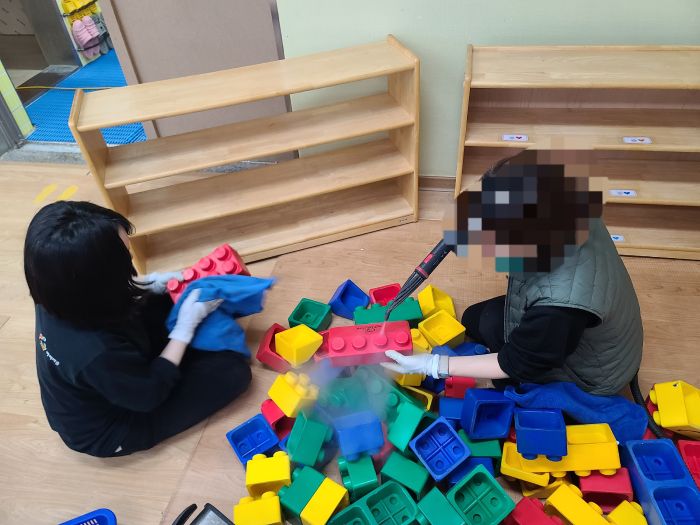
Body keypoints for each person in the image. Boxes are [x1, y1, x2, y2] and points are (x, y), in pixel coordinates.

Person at [384, 151, 643, 396]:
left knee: (504, 359)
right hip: (590, 322)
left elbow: (517, 362)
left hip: (594, 374)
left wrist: (433, 365)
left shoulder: (559, 308)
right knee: (476, 318)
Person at [24, 201, 251, 457]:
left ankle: (179, 343)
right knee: (232, 372)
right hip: (116, 425)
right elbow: (148, 394)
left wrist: (149, 283)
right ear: (101, 279)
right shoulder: (95, 351)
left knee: (164, 301)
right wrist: (184, 331)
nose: (131, 261)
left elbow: (118, 294)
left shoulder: (54, 291)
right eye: (126, 260)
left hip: (110, 371)